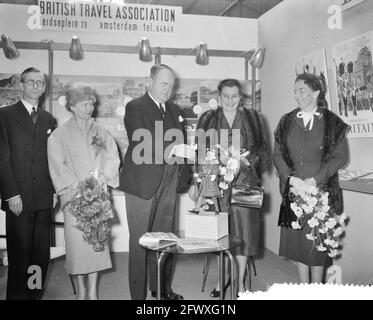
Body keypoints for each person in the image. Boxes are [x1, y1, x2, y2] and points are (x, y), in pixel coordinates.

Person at [119, 64, 194, 300]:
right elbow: (141, 139)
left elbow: (181, 145)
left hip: (169, 181)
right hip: (142, 183)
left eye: (171, 86)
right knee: (140, 242)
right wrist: (172, 149)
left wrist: (188, 176)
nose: (167, 90)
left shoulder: (175, 109)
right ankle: (138, 297)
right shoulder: (135, 107)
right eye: (163, 84)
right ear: (148, 81)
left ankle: (161, 290)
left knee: (164, 240)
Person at [193, 79, 267, 296]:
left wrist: (244, 160)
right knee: (220, 234)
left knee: (244, 235)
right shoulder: (207, 118)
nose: (230, 101)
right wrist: (199, 185)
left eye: (234, 96)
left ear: (240, 97)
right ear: (219, 96)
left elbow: (260, 150)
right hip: (215, 184)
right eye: (226, 96)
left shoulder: (252, 118)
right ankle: (221, 279)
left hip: (245, 182)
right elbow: (200, 152)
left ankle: (240, 282)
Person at [273, 73, 349, 283]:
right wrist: (290, 179)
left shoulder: (333, 122)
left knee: (317, 247)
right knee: (297, 247)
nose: (296, 95)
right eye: (295, 91)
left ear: (316, 92)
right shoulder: (286, 121)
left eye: (302, 91)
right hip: (293, 192)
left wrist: (316, 179)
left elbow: (340, 157)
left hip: (321, 194)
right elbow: (277, 153)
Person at [47, 87, 120, 299]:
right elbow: (57, 164)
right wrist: (77, 187)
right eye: (84, 104)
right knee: (78, 248)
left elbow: (113, 157)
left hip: (98, 197)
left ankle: (93, 291)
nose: (90, 108)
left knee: (98, 243)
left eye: (91, 103)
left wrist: (104, 177)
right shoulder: (59, 135)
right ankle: (81, 292)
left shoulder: (101, 131)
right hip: (75, 199)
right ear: (71, 106)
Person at [0, 67, 56, 300]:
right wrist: (11, 194)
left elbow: (52, 159)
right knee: (20, 255)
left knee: (40, 255)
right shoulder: (5, 115)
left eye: (40, 83)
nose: (36, 86)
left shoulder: (48, 119)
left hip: (43, 197)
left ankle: (34, 296)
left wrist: (53, 192)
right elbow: (2, 157)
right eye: (31, 82)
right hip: (19, 197)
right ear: (21, 85)